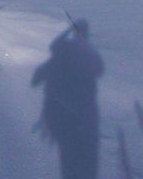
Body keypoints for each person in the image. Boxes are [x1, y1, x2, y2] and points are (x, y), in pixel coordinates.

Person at [32, 19, 105, 179]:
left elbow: (35, 80)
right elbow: (99, 69)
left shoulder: (62, 56)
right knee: (76, 153)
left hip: (68, 115)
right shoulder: (87, 53)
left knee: (70, 154)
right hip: (79, 114)